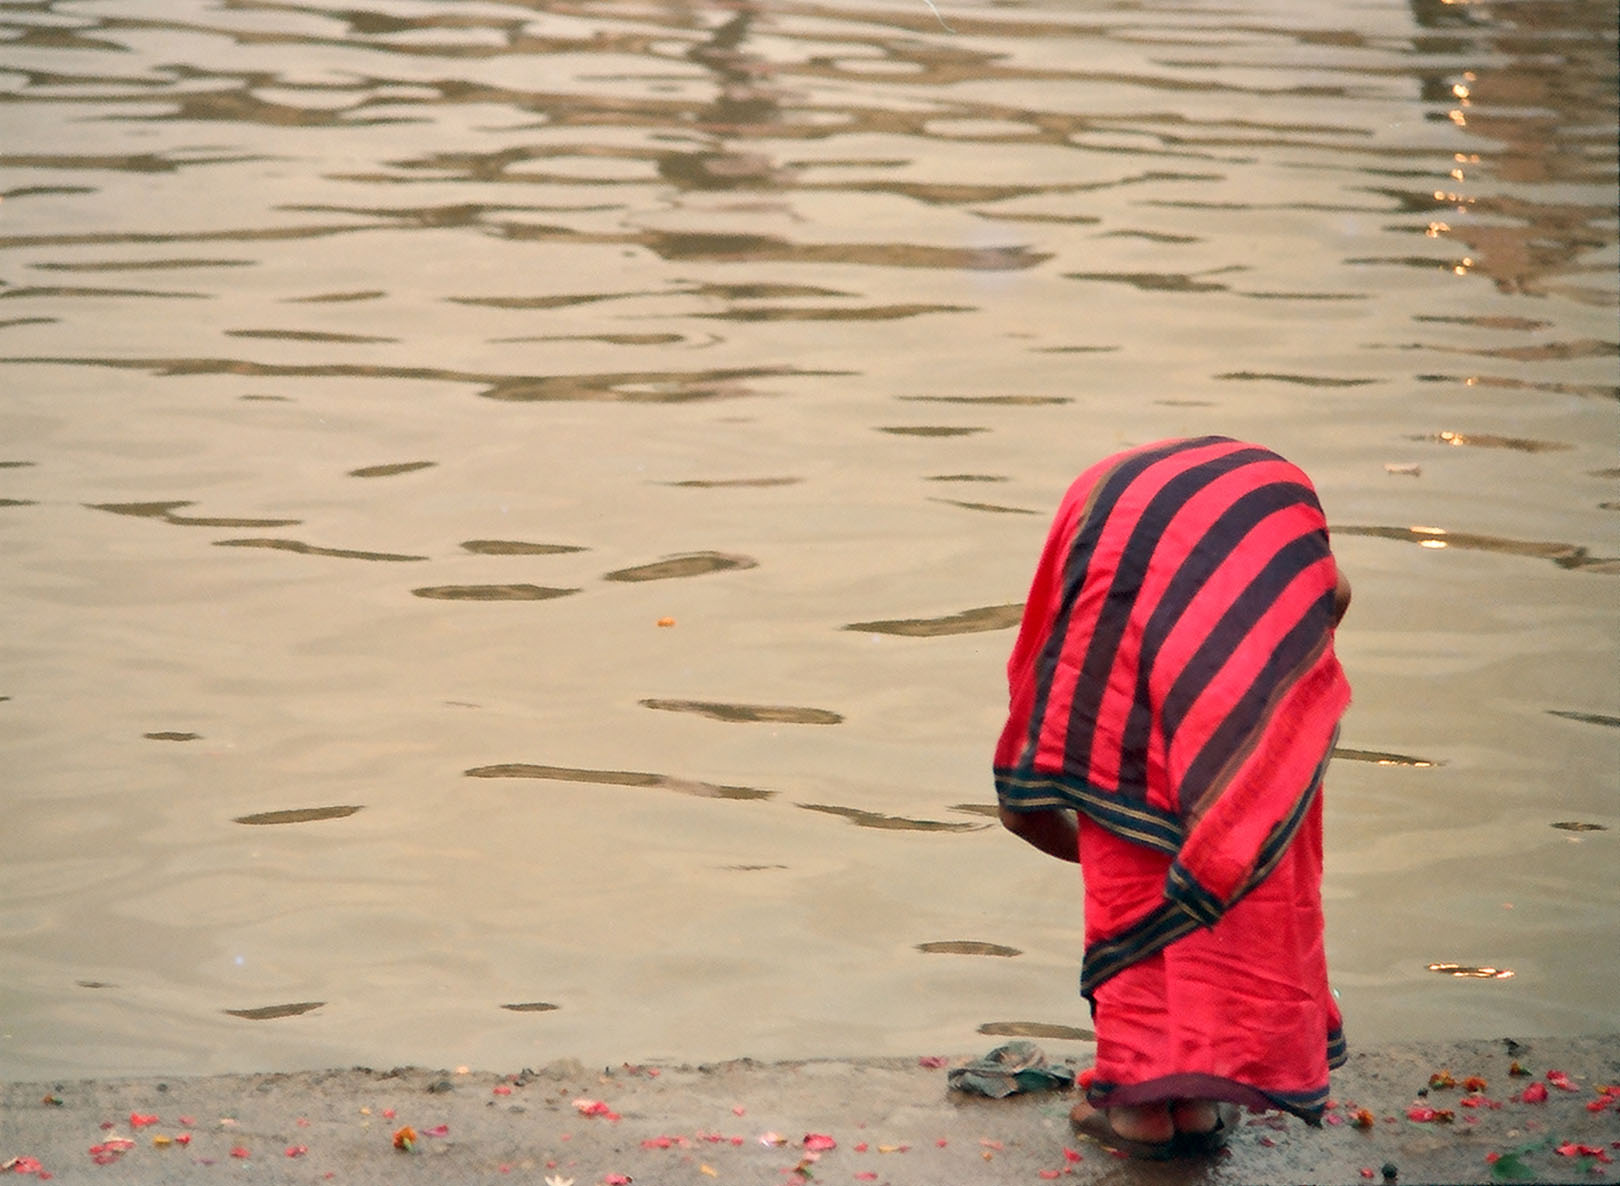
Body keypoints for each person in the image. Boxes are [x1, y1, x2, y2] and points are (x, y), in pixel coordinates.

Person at [993, 435, 1352, 1158]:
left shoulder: (1088, 671)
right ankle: (1198, 1091)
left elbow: (1023, 809)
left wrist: (1117, 855)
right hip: (1240, 603)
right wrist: (1268, 658)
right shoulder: (1267, 562)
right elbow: (1333, 594)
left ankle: (1141, 1107)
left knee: (1130, 846)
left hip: (1127, 573)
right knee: (1237, 834)